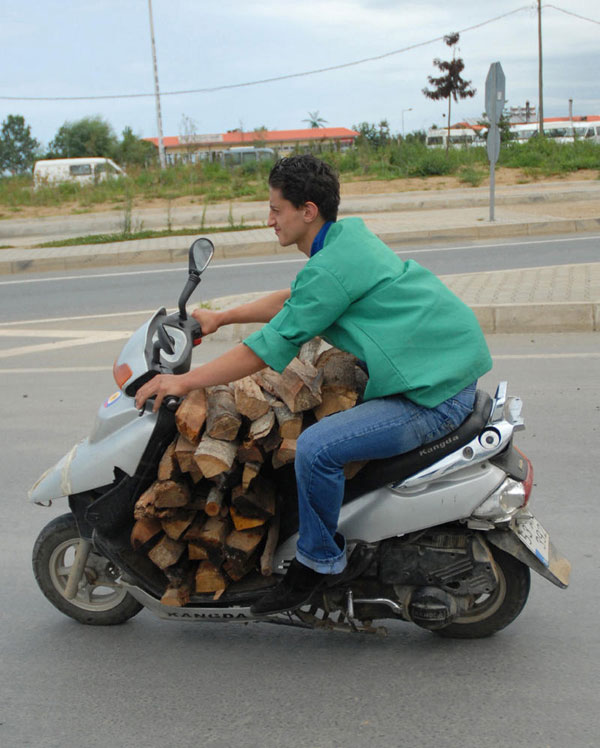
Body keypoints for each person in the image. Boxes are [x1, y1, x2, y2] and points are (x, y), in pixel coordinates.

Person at [135, 154, 493, 616]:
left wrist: (182, 381)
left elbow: (263, 351)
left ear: (307, 211)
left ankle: (319, 564)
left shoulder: (331, 265)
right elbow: (296, 298)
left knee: (316, 448)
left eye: (275, 209)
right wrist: (223, 316)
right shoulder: (346, 241)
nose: (269, 220)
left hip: (435, 396)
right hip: (448, 370)